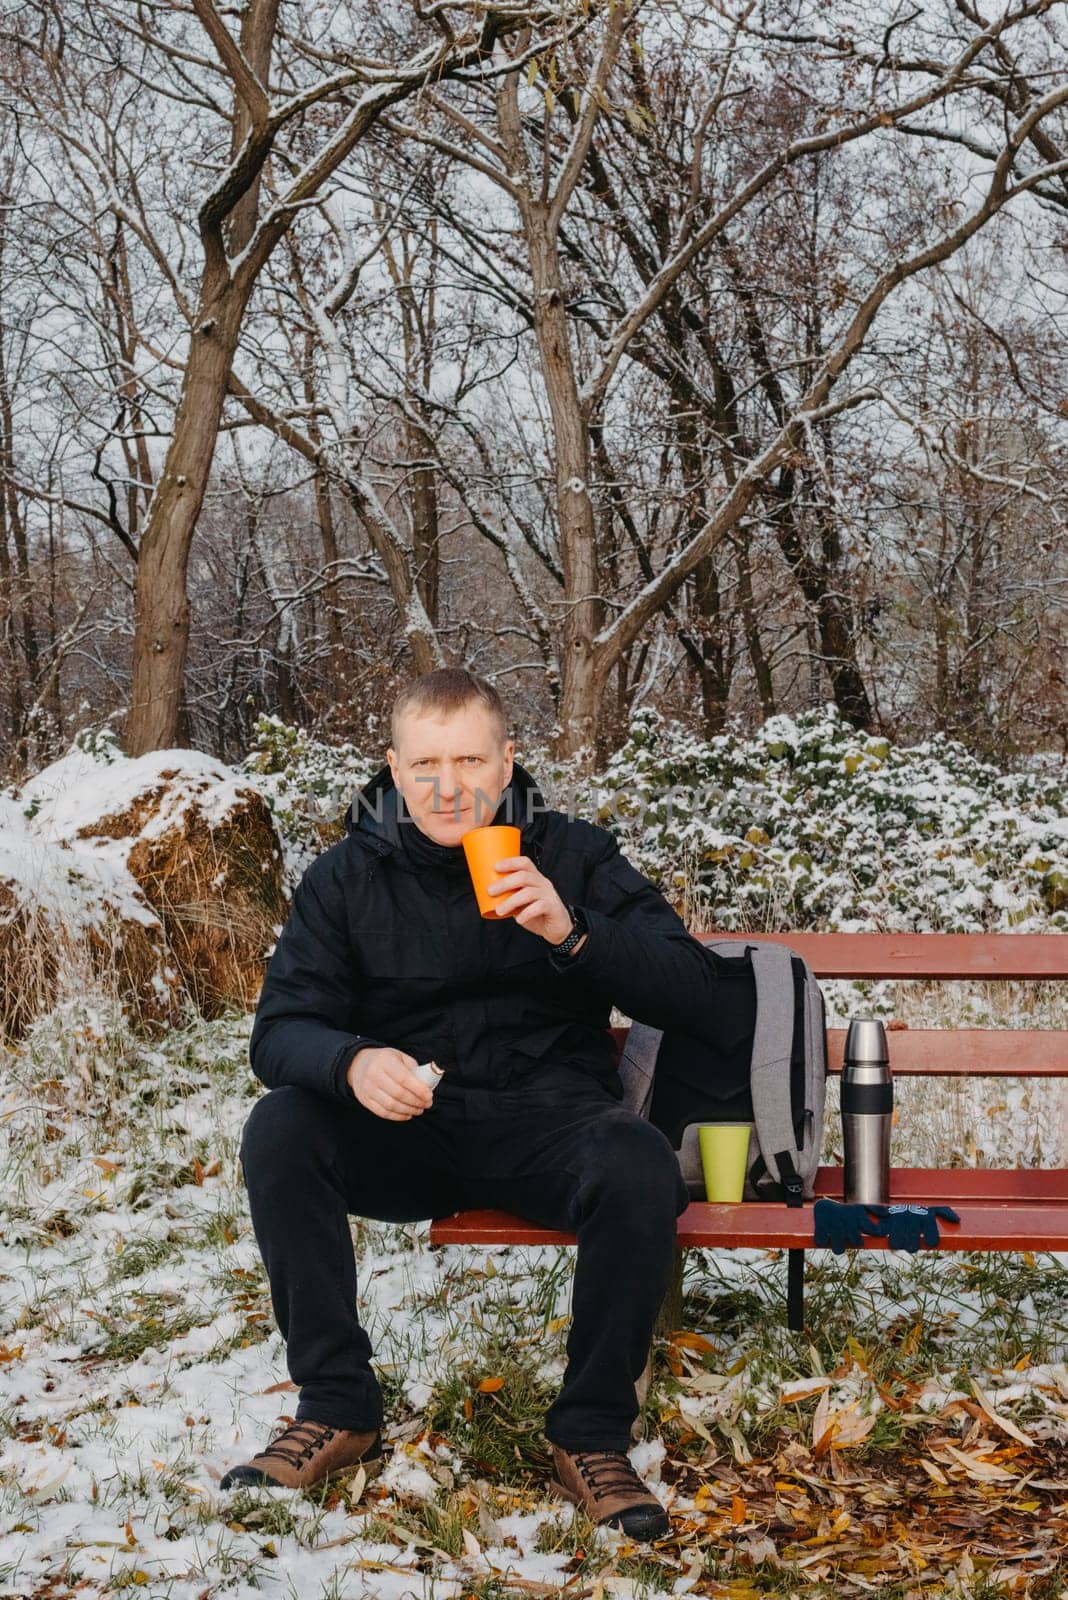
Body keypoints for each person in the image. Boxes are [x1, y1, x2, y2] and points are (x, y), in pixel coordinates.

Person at [221, 669, 722, 1540]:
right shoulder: (344, 878)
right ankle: (339, 1405)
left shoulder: (572, 854)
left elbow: (693, 991)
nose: (447, 787)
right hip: (409, 1128)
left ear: (507, 761)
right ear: (392, 767)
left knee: (637, 1162)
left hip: (549, 1121)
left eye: (468, 760)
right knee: (282, 1126)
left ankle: (592, 1432)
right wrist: (350, 1063)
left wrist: (574, 932)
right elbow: (279, 1032)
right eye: (423, 765)